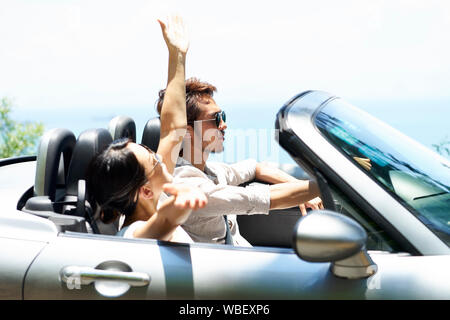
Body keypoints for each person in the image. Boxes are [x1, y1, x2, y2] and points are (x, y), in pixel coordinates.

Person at [155, 78, 324, 246]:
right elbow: (257, 199)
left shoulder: (211, 172)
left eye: (223, 116)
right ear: (188, 131)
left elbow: (255, 168)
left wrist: (296, 185)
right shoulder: (186, 186)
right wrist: (327, 184)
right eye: (216, 119)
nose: (224, 125)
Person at [86, 15, 207, 243]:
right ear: (146, 191)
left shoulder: (153, 197)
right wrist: (181, 203)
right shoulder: (134, 234)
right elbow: (164, 222)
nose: (161, 158)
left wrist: (177, 55)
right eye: (154, 161)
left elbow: (173, 130)